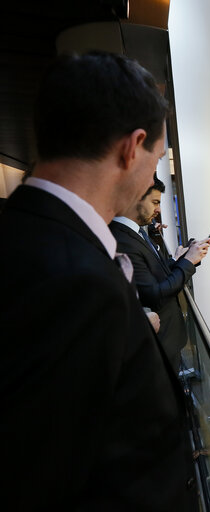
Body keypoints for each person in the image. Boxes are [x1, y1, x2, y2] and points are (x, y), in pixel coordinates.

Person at [0, 52, 197, 509]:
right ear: (133, 147)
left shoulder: (27, 232)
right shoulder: (73, 282)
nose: (153, 174)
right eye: (157, 159)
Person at [110, 175, 210, 372]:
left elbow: (153, 271)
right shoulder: (122, 239)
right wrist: (189, 261)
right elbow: (154, 294)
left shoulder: (136, 233)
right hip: (160, 342)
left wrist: (177, 260)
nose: (158, 210)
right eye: (155, 202)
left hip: (167, 341)